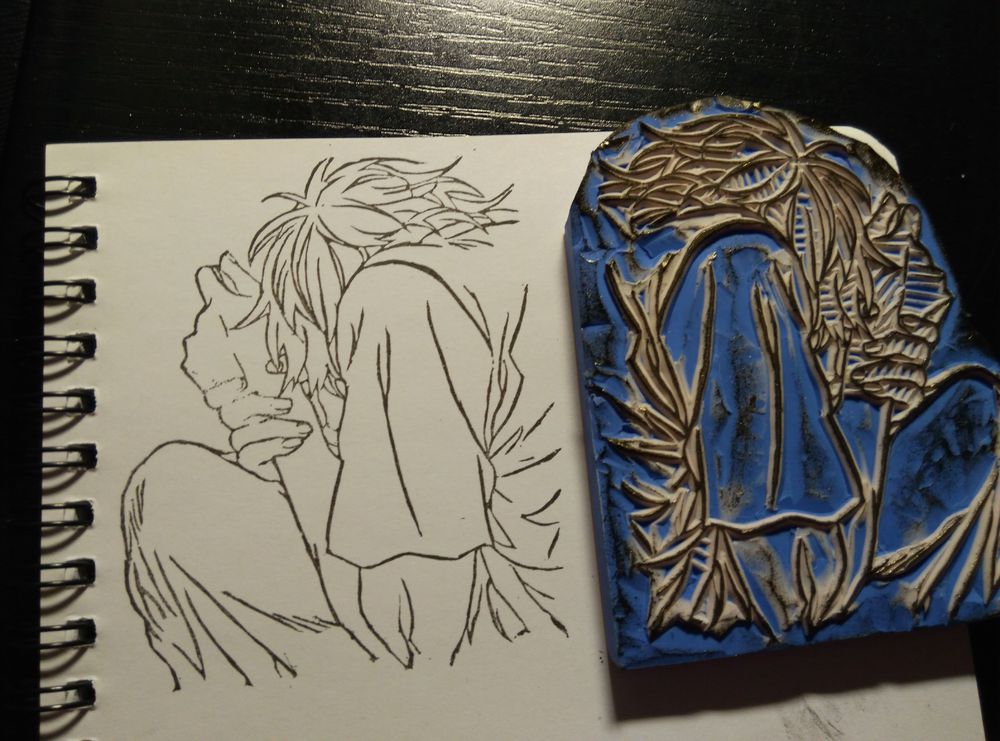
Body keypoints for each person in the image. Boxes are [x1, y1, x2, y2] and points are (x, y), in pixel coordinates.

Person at [122, 158, 564, 687]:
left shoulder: (390, 300)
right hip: (489, 580)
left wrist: (247, 396)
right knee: (176, 484)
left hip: (506, 626)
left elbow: (408, 630)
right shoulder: (442, 273)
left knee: (165, 493)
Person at [578, 103, 1000, 643]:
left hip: (807, 546)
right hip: (774, 557)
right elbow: (787, 546)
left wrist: (884, 357)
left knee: (972, 402)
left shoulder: (764, 265)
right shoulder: (743, 264)